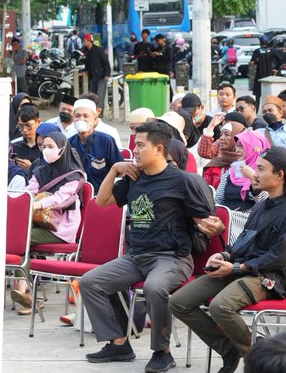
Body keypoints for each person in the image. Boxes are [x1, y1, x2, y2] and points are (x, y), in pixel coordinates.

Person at [79, 119, 217, 371]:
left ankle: (162, 352)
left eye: (141, 145)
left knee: (154, 287)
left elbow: (203, 221)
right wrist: (114, 170)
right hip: (136, 257)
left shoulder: (182, 181)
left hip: (172, 258)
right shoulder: (134, 177)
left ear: (159, 149)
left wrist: (214, 226)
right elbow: (102, 202)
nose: (135, 150)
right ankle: (119, 343)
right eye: (134, 144)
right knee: (90, 282)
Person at [172, 146, 286, 373]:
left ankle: (262, 357)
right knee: (179, 302)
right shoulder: (261, 205)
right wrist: (225, 255)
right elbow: (244, 241)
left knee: (222, 306)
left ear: (280, 175)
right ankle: (230, 349)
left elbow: (278, 258)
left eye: (261, 169)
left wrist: (236, 268)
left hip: (268, 278)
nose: (254, 173)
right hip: (240, 269)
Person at [10, 131, 86, 314]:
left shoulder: (74, 175)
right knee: (16, 235)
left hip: (61, 228)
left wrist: (35, 203)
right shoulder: (40, 171)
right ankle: (26, 291)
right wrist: (18, 200)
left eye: (51, 146)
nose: (46, 150)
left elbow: (59, 198)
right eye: (44, 146)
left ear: (62, 149)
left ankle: (24, 289)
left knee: (22, 239)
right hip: (40, 220)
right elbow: (29, 191)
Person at [68, 99, 123, 190]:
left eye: (86, 116)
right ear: (73, 118)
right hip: (76, 194)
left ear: (95, 120)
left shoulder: (106, 141)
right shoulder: (69, 143)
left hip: (101, 196)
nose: (81, 119)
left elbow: (120, 169)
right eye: (77, 115)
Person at [83, 34, 111, 112]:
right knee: (92, 95)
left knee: (100, 95)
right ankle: (93, 111)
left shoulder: (98, 50)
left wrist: (107, 74)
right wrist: (85, 71)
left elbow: (106, 62)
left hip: (101, 76)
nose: (84, 43)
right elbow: (87, 63)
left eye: (85, 41)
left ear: (89, 41)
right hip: (92, 76)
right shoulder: (86, 51)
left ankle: (100, 111)